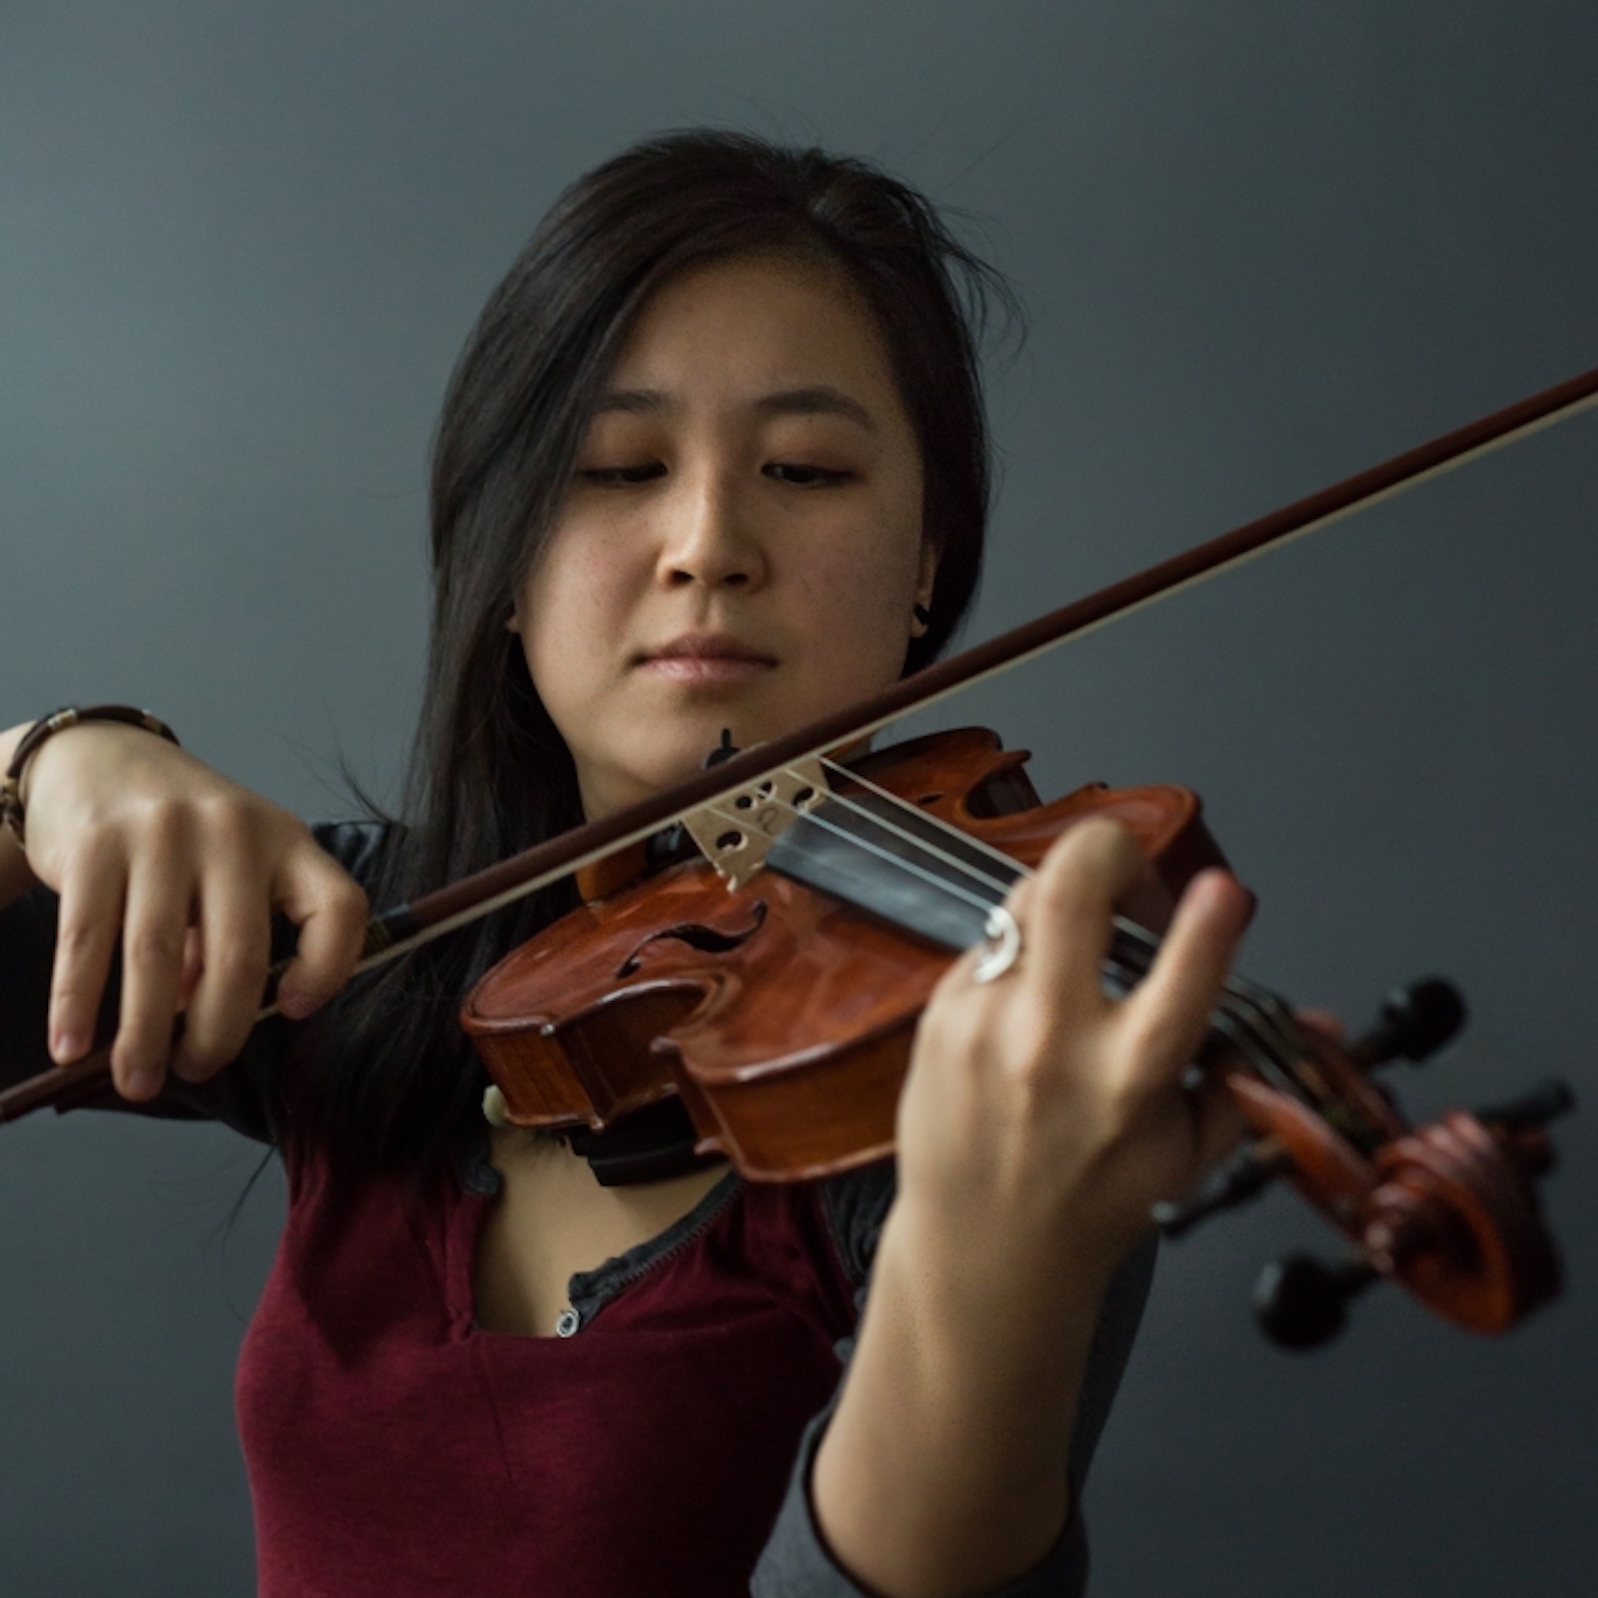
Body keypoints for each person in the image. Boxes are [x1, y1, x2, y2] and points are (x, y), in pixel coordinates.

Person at [0, 131, 1250, 1597]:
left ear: (927, 555)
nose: (708, 542)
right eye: (613, 467)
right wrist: (53, 762)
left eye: (802, 467)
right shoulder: (366, 948)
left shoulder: (990, 1078)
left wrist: (984, 1273)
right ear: (506, 571)